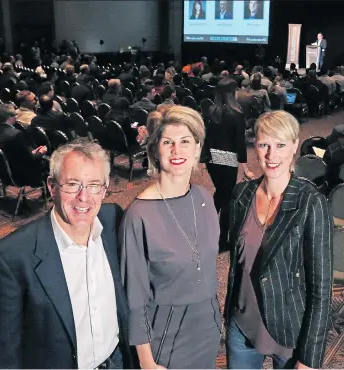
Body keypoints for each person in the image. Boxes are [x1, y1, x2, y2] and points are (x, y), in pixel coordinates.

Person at [0, 139, 133, 369]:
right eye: (72, 184)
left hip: (118, 361)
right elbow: (2, 353)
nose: (84, 197)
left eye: (94, 185)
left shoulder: (113, 220)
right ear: (52, 187)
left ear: (104, 190)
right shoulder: (11, 257)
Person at [224, 110, 333, 369]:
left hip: (289, 333)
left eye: (281, 145)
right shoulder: (242, 194)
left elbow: (321, 290)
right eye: (264, 145)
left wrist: (309, 358)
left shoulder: (311, 202)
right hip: (242, 326)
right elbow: (236, 265)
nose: (272, 156)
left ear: (295, 145)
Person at [120, 106, 222, 369]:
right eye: (168, 142)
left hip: (208, 330)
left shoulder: (204, 197)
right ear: (155, 150)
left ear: (198, 149)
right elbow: (135, 297)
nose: (177, 151)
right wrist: (146, 361)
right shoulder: (138, 216)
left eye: (185, 142)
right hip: (166, 340)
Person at [205, 78, 253, 249]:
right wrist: (245, 168)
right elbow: (240, 144)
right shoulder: (236, 114)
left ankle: (207, 223)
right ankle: (222, 240)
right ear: (233, 93)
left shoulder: (211, 111)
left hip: (211, 158)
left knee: (220, 193)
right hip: (226, 159)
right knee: (227, 199)